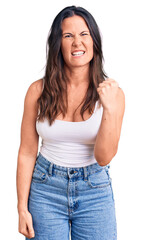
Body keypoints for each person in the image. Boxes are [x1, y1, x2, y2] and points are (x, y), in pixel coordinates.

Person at [16, 5, 125, 240]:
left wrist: (108, 109)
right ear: (58, 44)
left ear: (94, 42)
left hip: (94, 191)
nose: (77, 42)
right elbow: (26, 152)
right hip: (45, 189)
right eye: (68, 35)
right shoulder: (37, 91)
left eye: (84, 34)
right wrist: (22, 208)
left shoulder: (113, 94)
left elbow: (104, 157)